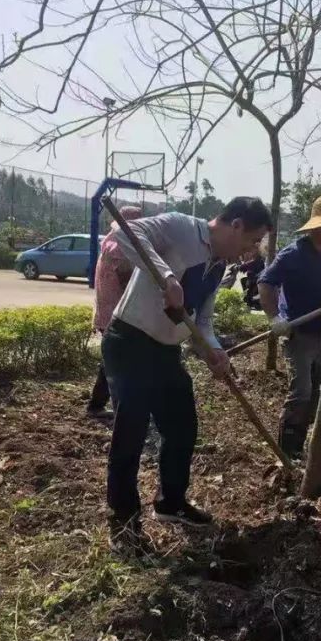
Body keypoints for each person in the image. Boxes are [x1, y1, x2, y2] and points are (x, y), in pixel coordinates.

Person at [104, 197, 273, 539]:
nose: (250, 251)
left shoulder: (219, 266)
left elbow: (203, 319)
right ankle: (123, 520)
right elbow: (127, 233)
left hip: (166, 352)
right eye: (252, 240)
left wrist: (213, 351)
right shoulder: (181, 227)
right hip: (131, 341)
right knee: (131, 432)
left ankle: (171, 502)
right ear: (236, 224)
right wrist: (166, 276)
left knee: (182, 426)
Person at [257, 195, 321, 459]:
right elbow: (266, 283)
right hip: (298, 333)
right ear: (315, 228)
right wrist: (275, 318)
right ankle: (287, 449)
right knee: (301, 390)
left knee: (319, 393)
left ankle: (301, 445)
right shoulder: (295, 254)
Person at [88, 206, 143, 420]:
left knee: (111, 360)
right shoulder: (120, 248)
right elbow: (130, 283)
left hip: (107, 311)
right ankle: (115, 408)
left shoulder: (109, 242)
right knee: (117, 362)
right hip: (116, 314)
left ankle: (99, 404)